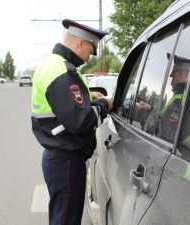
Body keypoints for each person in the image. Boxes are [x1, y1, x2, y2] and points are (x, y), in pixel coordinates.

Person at [31, 19, 113, 225]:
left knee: (62, 218)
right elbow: (80, 121)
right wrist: (104, 103)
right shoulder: (63, 72)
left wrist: (88, 96)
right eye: (90, 51)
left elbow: (63, 103)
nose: (88, 59)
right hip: (66, 161)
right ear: (80, 44)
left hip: (57, 158)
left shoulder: (51, 65)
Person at [144, 54, 190, 158]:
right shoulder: (187, 99)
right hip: (174, 165)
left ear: (182, 74)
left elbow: (163, 138)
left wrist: (147, 115)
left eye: (174, 75)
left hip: (173, 168)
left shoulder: (185, 104)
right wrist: (149, 108)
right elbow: (167, 120)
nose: (171, 81)